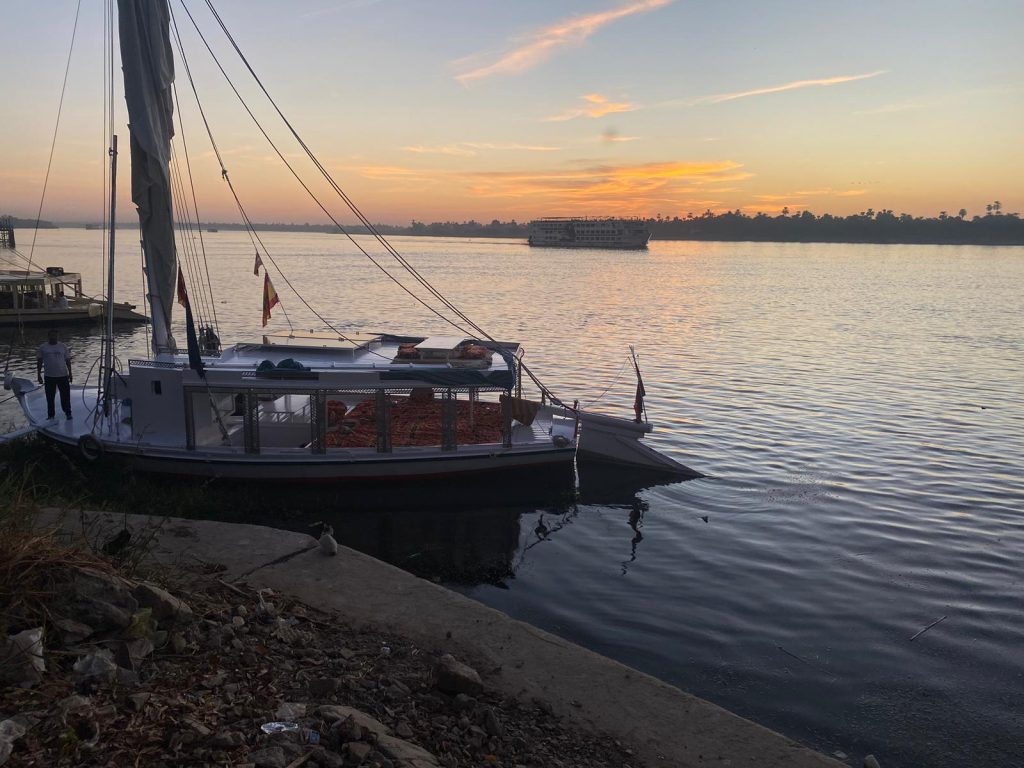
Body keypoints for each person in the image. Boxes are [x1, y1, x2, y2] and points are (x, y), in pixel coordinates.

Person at [36, 329, 73, 420]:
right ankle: (51, 415)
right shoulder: (43, 347)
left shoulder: (63, 346)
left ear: (58, 336)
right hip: (49, 376)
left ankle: (68, 412)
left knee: (65, 395)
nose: (54, 337)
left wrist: (70, 373)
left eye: (56, 335)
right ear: (48, 336)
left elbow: (68, 360)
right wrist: (39, 374)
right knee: (50, 397)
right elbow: (39, 361)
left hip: (63, 375)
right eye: (52, 335)